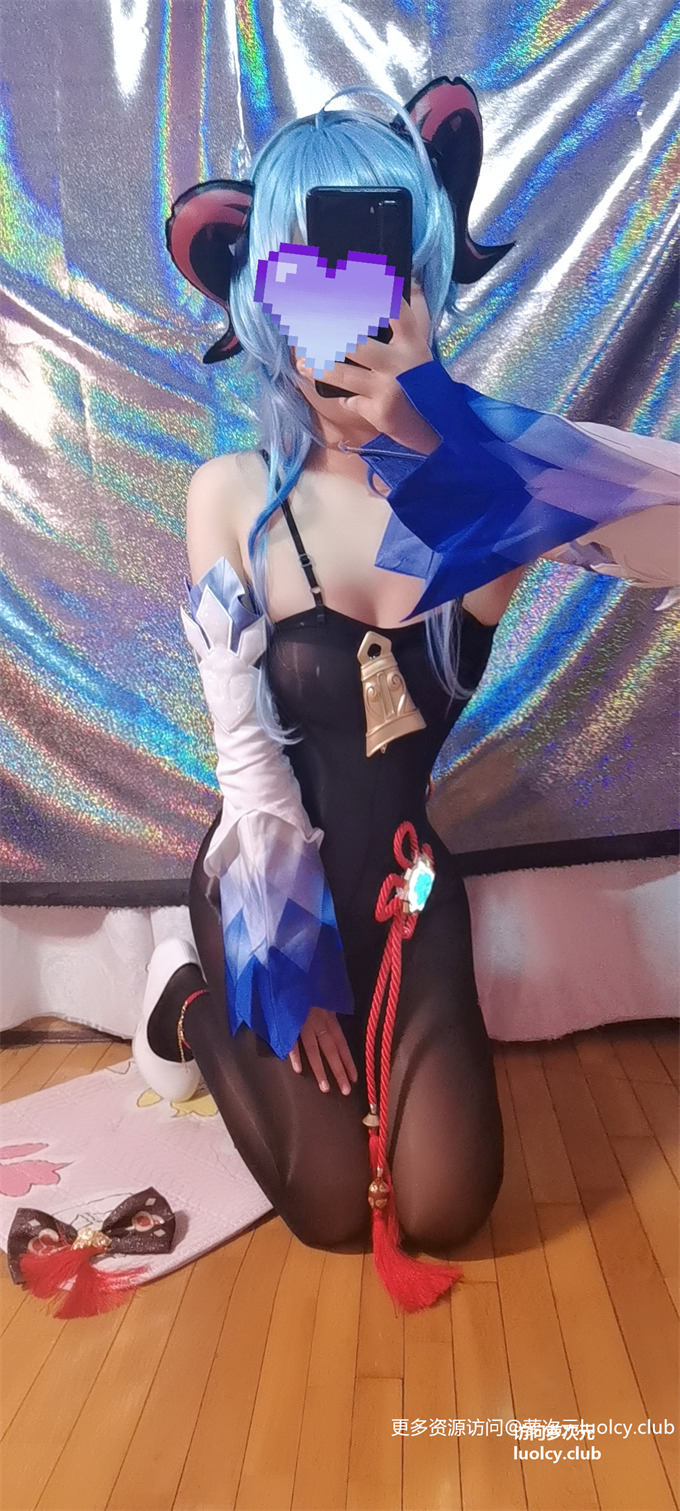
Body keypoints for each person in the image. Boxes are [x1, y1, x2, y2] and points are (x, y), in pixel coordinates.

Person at [133, 79, 679, 1306]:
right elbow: (245, 759)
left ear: (421, 284)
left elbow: (666, 526)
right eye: (312, 284)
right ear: (265, 300)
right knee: (332, 1209)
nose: (347, 321)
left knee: (444, 1203)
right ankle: (186, 997)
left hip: (405, 885)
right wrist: (282, 967)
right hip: (271, 880)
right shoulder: (229, 495)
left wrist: (439, 417)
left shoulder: (485, 499)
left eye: (379, 279)